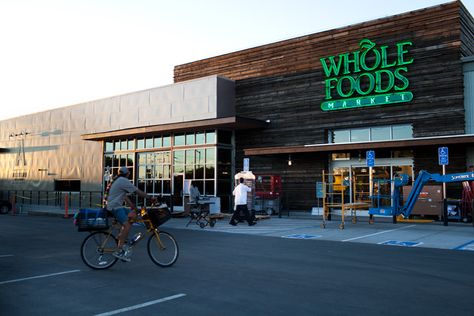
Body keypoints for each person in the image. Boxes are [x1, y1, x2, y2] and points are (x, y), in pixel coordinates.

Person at [106, 166, 156, 262]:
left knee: (133, 215)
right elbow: (138, 192)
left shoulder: (119, 180)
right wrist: (150, 198)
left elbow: (124, 196)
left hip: (117, 206)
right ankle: (119, 250)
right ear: (128, 174)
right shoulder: (123, 181)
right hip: (115, 207)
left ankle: (120, 237)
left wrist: (133, 207)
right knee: (127, 225)